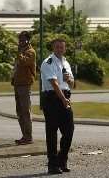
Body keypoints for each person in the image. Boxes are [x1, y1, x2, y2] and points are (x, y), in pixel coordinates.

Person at [40, 38, 75, 174]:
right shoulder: (48, 62)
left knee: (69, 130)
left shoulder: (66, 62)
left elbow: (72, 83)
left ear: (65, 48)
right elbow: (54, 83)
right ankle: (52, 165)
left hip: (65, 96)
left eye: (62, 47)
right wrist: (63, 99)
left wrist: (69, 79)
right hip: (52, 99)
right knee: (52, 132)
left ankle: (62, 160)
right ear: (53, 48)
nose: (60, 49)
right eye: (57, 47)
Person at [11, 31, 36, 145]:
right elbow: (16, 67)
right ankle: (24, 136)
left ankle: (28, 137)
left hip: (25, 84)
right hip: (17, 84)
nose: (20, 42)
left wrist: (19, 52)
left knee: (25, 111)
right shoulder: (21, 51)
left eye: (23, 40)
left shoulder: (30, 52)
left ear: (28, 40)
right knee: (19, 112)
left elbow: (23, 62)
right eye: (19, 39)